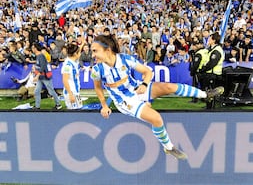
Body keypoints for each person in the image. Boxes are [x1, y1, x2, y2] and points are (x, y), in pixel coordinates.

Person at [90, 34, 224, 160]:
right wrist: (104, 106)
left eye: (95, 51)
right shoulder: (97, 70)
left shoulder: (125, 58)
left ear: (107, 50)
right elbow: (98, 88)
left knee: (169, 87)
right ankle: (169, 147)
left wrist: (144, 84)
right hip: (124, 100)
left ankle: (206, 95)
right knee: (156, 118)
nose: (92, 55)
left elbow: (147, 72)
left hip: (137, 88)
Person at [32, 42, 62, 110]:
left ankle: (58, 104)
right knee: (37, 91)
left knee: (51, 91)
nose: (32, 49)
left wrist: (36, 76)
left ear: (36, 48)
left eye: (33, 48)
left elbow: (42, 67)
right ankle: (37, 106)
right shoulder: (38, 56)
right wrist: (35, 68)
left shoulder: (41, 56)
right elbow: (39, 66)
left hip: (45, 77)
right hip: (41, 77)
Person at [61, 41, 84, 109]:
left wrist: (82, 43)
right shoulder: (68, 65)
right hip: (71, 92)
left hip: (76, 91)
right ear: (75, 54)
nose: (80, 54)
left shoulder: (74, 61)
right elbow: (65, 80)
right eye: (79, 52)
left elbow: (78, 49)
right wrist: (70, 94)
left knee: (80, 109)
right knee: (74, 113)